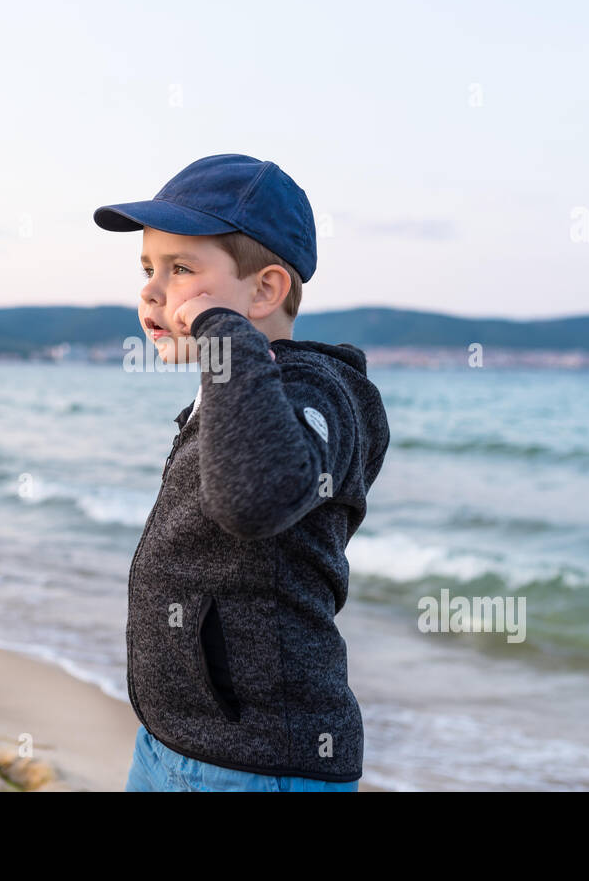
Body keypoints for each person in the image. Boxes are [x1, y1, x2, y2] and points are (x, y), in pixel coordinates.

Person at [93, 154, 390, 791]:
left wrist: (218, 328)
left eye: (181, 270)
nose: (151, 291)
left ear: (263, 291)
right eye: (148, 269)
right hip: (170, 743)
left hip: (262, 764)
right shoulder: (229, 388)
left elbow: (255, 497)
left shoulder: (325, 391)